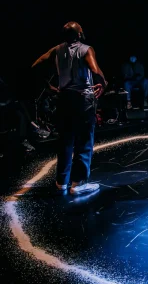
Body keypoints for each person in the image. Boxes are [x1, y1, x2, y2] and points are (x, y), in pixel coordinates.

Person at [31, 21, 107, 195]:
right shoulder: (87, 49)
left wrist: (48, 86)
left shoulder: (56, 50)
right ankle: (78, 183)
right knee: (84, 141)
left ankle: (61, 182)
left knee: (65, 141)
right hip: (82, 100)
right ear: (79, 34)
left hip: (64, 99)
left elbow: (36, 65)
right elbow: (95, 70)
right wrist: (102, 82)